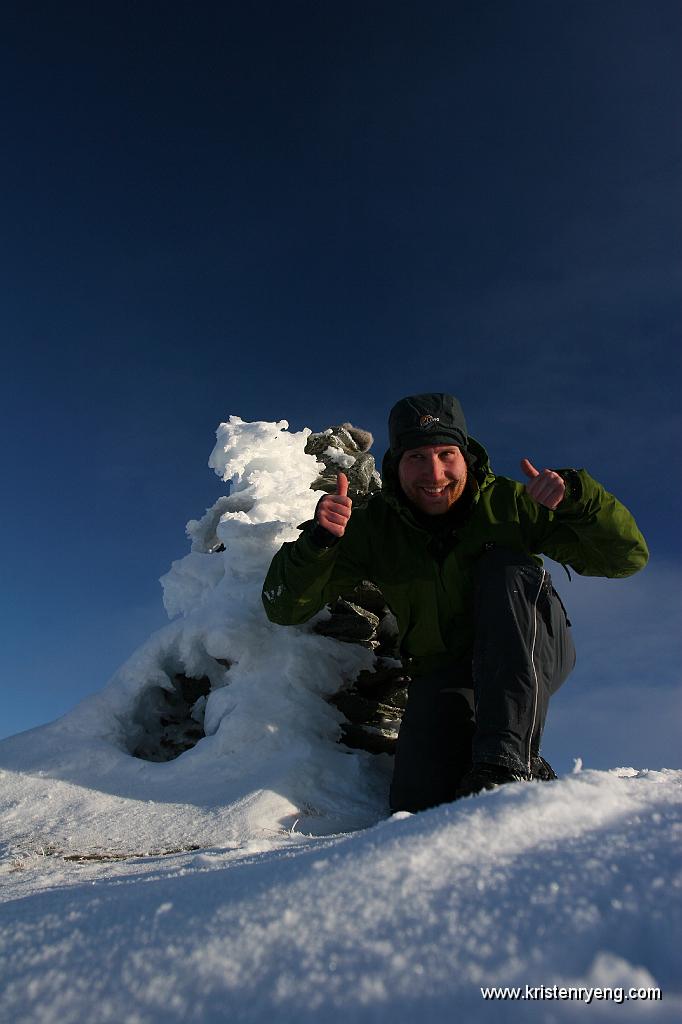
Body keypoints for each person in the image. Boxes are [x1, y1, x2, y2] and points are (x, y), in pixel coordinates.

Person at [262, 393, 648, 811]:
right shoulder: (374, 527)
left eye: (446, 454)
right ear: (396, 463)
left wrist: (578, 498)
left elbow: (625, 558)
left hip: (531, 646)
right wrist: (319, 542)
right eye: (417, 458)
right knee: (418, 807)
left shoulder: (511, 504)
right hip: (444, 672)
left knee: (505, 567)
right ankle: (520, 766)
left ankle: (507, 764)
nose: (434, 473)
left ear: (466, 455)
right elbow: (284, 608)